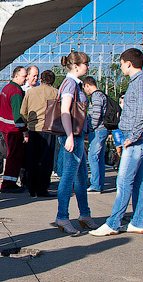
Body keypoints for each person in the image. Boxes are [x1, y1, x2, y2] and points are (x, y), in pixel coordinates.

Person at [92, 48, 143, 237]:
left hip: (136, 138)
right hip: (136, 137)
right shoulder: (139, 82)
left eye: (121, 63)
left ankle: (113, 223)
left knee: (123, 181)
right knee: (137, 180)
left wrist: (132, 137)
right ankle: (137, 221)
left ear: (128, 63)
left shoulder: (141, 83)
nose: (120, 67)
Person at [53, 51, 97, 235]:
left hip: (76, 136)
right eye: (86, 64)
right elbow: (64, 110)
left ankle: (84, 215)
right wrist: (70, 136)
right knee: (68, 178)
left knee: (80, 178)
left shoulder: (72, 83)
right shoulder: (71, 84)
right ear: (77, 67)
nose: (88, 67)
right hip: (72, 136)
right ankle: (62, 217)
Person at [18, 70, 58, 197]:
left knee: (32, 159)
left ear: (41, 79)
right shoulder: (56, 93)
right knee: (46, 160)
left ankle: (31, 187)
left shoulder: (30, 92)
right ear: (52, 80)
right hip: (49, 129)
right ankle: (42, 188)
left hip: (33, 129)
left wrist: (28, 121)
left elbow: (23, 111)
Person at [0, 66, 27, 193]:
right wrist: (25, 131)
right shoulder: (16, 92)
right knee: (14, 157)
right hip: (14, 130)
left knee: (11, 155)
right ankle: (9, 183)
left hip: (5, 128)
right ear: (16, 76)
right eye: (24, 76)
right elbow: (18, 115)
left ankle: (8, 182)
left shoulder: (6, 88)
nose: (25, 79)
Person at [82, 76, 109, 193]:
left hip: (98, 130)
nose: (85, 91)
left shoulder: (96, 96)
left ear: (87, 85)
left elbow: (96, 115)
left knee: (93, 157)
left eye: (85, 88)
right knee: (99, 158)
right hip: (102, 129)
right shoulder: (102, 95)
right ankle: (99, 183)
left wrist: (90, 128)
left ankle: (95, 185)